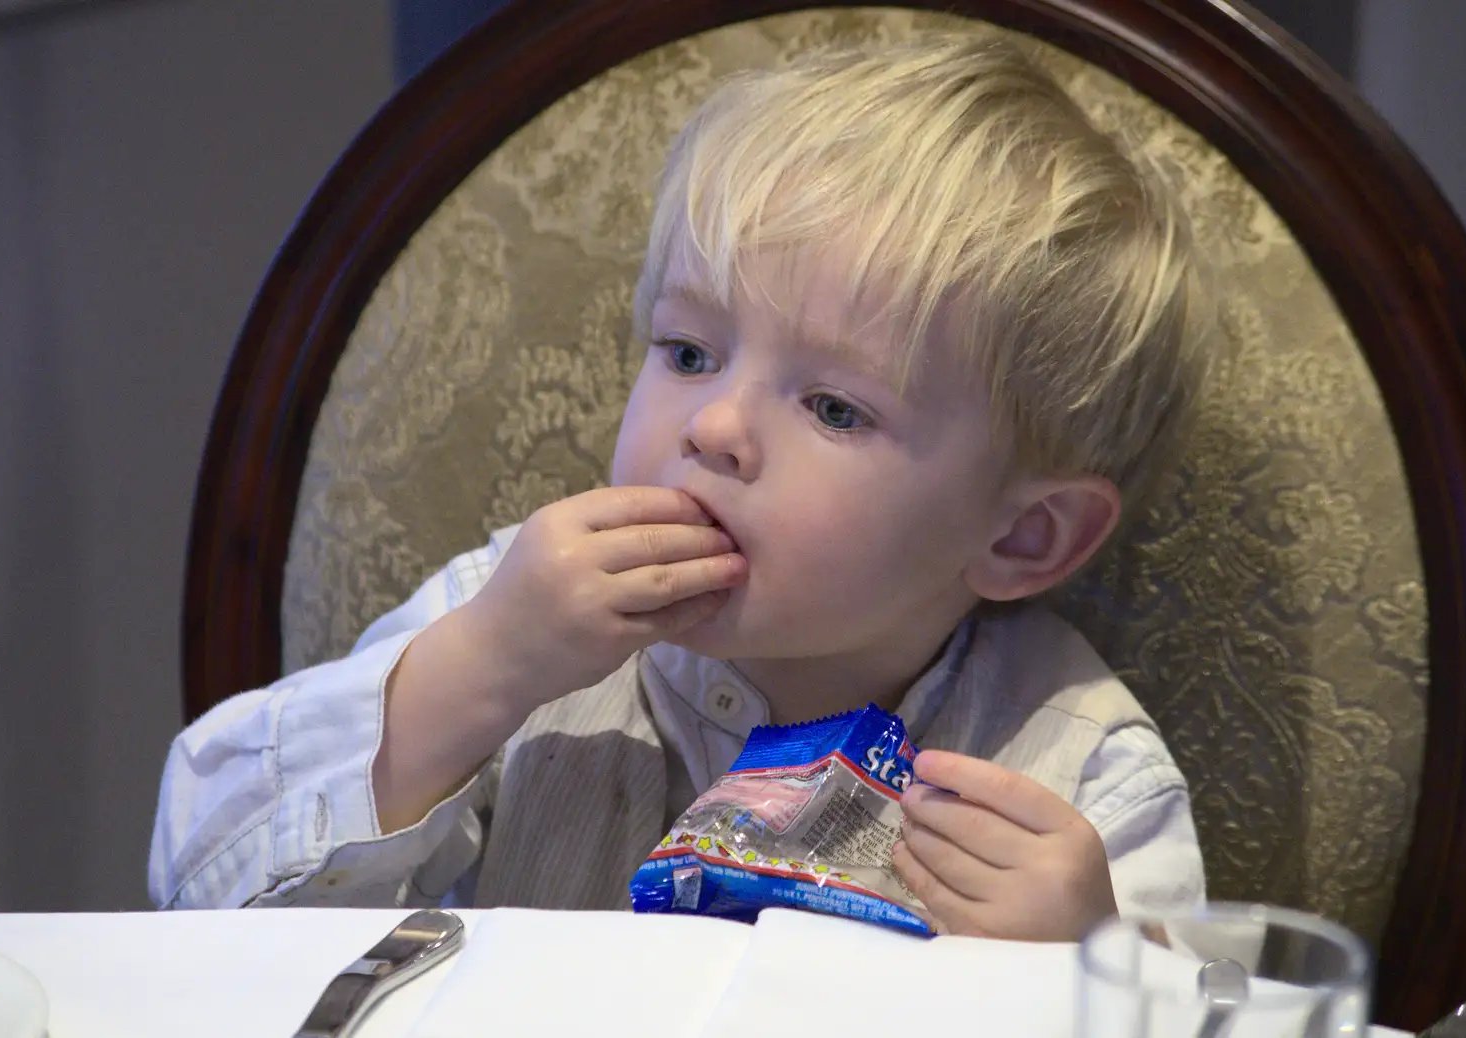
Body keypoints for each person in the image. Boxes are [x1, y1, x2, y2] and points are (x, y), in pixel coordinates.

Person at [149, 30, 1211, 941]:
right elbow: (198, 890)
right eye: (688, 352)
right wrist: (474, 672)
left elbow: (1218, 1002)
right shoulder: (509, 612)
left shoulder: (1081, 774)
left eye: (834, 408)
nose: (710, 427)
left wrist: (1087, 964)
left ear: (1024, 536)